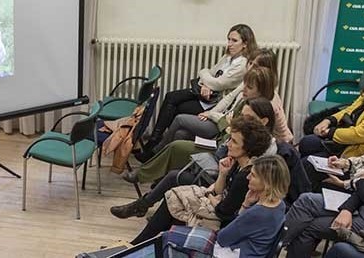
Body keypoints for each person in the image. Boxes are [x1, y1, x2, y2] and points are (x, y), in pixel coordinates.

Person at [112, 98, 307, 218]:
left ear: (263, 121)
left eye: (249, 119)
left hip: (227, 186)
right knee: (177, 158)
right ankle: (145, 208)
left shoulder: (275, 154)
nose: (242, 121)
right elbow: (224, 151)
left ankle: (144, 207)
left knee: (175, 178)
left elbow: (230, 202)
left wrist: (220, 188)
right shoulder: (243, 139)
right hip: (222, 173)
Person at [125, 48, 285, 183]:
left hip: (222, 144)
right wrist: (213, 113)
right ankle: (159, 175)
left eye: (255, 65)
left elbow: (236, 127)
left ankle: (149, 166)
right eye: (250, 63)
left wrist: (217, 117)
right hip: (223, 135)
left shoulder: (261, 106)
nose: (249, 67)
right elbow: (228, 103)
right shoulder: (248, 90)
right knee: (180, 130)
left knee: (179, 125)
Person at [283, 108, 364, 257]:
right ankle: (273, 245)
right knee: (306, 199)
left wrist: (360, 181)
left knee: (309, 227)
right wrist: (347, 209)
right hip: (361, 208)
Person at [127, 115, 272, 244]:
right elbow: (218, 191)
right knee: (173, 200)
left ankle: (136, 246)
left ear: (247, 147)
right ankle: (141, 246)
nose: (228, 144)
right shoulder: (237, 163)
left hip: (223, 226)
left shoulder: (245, 176)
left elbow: (223, 212)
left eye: (234, 142)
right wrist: (222, 174)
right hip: (217, 211)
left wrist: (210, 195)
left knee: (174, 201)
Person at [145, 24, 257, 153]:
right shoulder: (227, 57)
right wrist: (206, 82)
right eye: (229, 39)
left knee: (178, 108)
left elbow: (217, 83)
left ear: (245, 44)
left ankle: (158, 146)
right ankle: (157, 142)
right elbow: (209, 72)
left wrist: (206, 79)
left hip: (213, 100)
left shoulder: (242, 64)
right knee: (171, 96)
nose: (229, 44)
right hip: (205, 93)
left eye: (234, 41)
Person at [213, 155, 289, 257]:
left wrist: (244, 207)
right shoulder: (280, 205)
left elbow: (222, 238)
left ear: (267, 182)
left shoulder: (257, 213)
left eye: (253, 175)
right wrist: (246, 204)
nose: (247, 177)